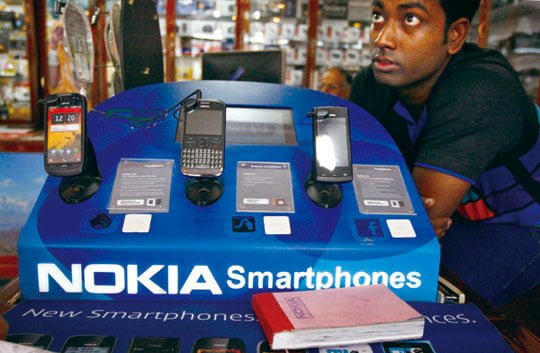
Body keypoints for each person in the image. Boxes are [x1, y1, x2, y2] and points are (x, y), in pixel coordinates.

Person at [349, 0, 540, 306]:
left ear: (455, 36)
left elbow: (415, 227)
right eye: (378, 16)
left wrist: (400, 213)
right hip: (457, 225)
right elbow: (352, 190)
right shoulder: (370, 85)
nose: (381, 38)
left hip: (521, 227)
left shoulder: (482, 91)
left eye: (410, 19)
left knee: (409, 297)